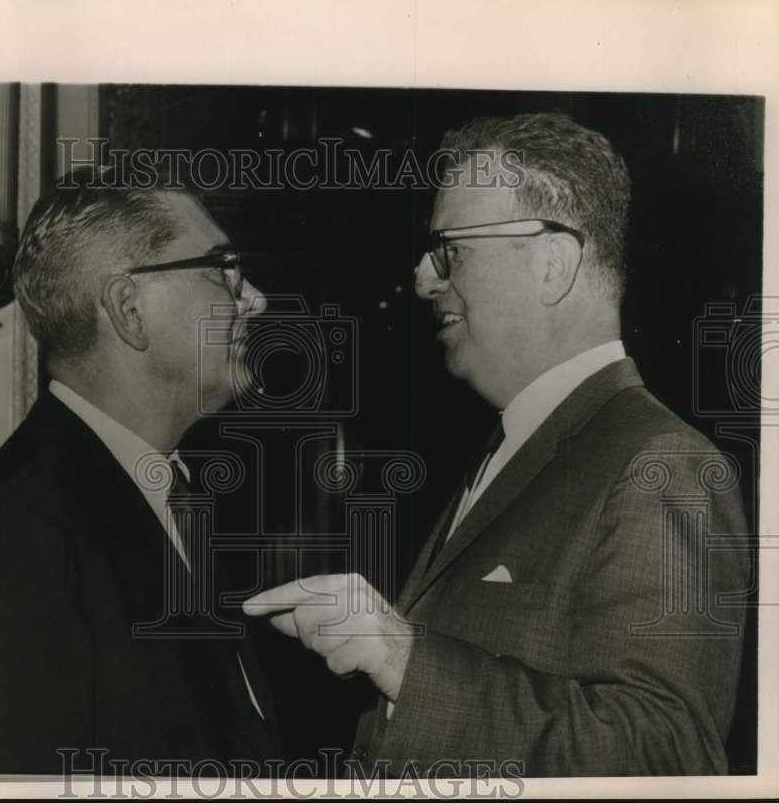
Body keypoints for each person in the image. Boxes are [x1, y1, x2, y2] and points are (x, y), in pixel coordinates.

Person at [245, 113, 749, 776]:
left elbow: (665, 754)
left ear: (554, 264)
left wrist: (404, 659)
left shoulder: (659, 463)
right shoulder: (519, 443)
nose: (423, 280)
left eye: (451, 249)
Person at [0, 169, 280, 774]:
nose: (254, 298)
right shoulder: (15, 539)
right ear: (128, 310)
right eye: (221, 267)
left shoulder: (166, 494)